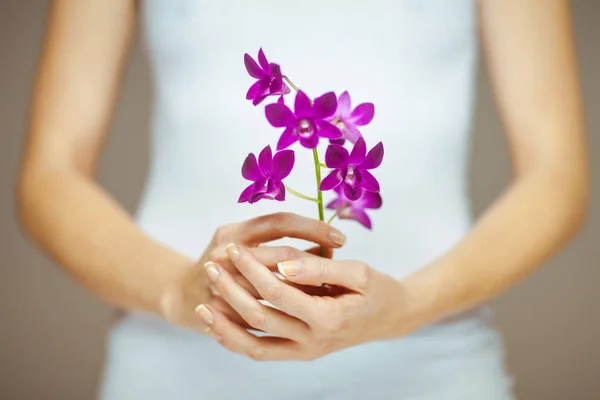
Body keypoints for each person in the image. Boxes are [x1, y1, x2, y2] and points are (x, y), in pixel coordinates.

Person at [17, 0, 588, 399]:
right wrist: (177, 291)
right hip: (176, 367)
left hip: (432, 363)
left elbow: (556, 173)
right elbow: (50, 174)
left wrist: (411, 303)